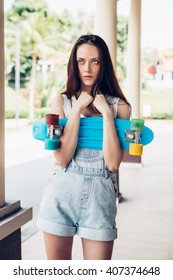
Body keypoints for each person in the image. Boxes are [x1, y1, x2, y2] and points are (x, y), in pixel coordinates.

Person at [37, 34, 131, 260]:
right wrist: (77, 109)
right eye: (81, 61)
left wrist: (107, 114)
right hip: (60, 194)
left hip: (100, 200)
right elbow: (62, 158)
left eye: (95, 61)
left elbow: (112, 162)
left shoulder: (120, 107)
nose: (87, 68)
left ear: (104, 65)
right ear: (74, 64)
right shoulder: (61, 102)